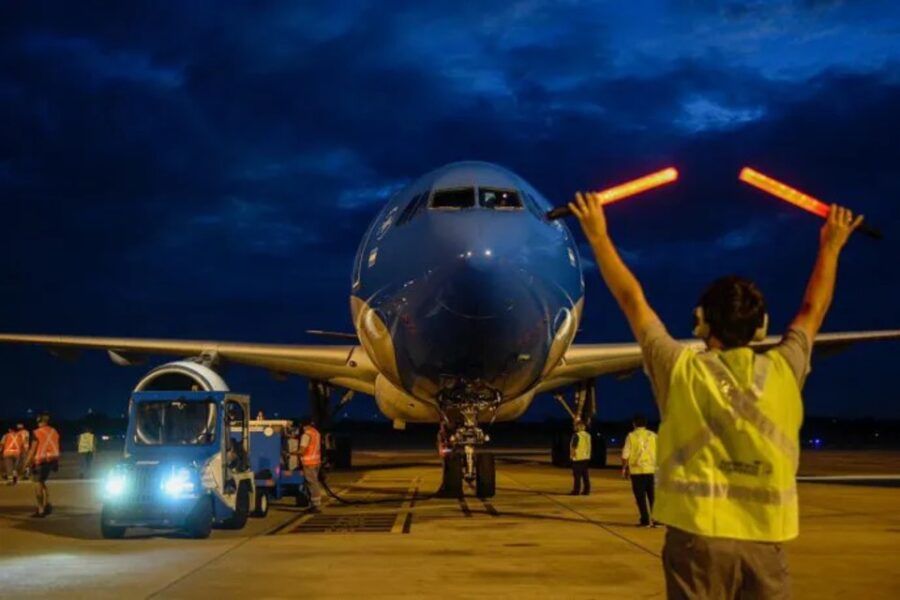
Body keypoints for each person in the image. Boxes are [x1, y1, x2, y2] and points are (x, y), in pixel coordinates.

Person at [570, 193, 863, 599]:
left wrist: (598, 236)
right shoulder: (783, 370)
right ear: (762, 328)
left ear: (700, 323)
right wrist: (832, 244)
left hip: (697, 543)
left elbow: (632, 300)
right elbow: (813, 308)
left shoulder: (680, 370)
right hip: (765, 543)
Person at [622, 414, 658, 527]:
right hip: (651, 470)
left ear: (634, 424)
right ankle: (657, 520)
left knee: (640, 497)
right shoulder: (653, 435)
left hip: (637, 471)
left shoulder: (631, 436)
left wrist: (624, 468)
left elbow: (625, 455)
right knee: (653, 496)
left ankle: (645, 520)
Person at [26, 413, 61, 518]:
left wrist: (26, 464)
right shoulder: (54, 431)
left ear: (40, 421)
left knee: (37, 483)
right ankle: (47, 504)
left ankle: (41, 509)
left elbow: (33, 450)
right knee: (42, 482)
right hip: (52, 460)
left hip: (41, 461)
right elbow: (56, 445)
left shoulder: (37, 432)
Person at [298, 417, 323, 513]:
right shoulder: (316, 433)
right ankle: (314, 504)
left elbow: (302, 451)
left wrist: (289, 453)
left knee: (312, 484)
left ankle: (315, 505)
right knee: (314, 483)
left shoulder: (306, 435)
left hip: (309, 463)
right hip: (316, 462)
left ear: (303, 425)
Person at [569, 420, 591, 496]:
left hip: (578, 458)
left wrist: (571, 456)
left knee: (577, 476)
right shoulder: (588, 435)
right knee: (585, 475)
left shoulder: (577, 435)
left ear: (578, 427)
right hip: (586, 457)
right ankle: (586, 490)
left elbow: (573, 447)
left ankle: (576, 490)